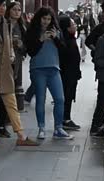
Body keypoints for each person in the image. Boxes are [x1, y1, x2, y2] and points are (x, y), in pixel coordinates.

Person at [0, 0, 38, 146]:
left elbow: (8, 44)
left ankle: (20, 135)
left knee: (11, 102)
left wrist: (12, 57)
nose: (2, 8)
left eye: (3, 5)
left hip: (6, 68)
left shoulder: (7, 23)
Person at [25, 7, 74, 140]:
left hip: (54, 68)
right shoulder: (32, 31)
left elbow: (64, 50)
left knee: (60, 99)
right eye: (44, 18)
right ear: (39, 18)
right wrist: (40, 39)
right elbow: (31, 51)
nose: (46, 21)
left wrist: (56, 38)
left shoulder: (56, 31)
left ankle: (58, 128)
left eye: (49, 19)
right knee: (40, 99)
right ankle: (41, 128)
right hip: (38, 68)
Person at [58, 15, 82, 131]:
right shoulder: (65, 41)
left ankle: (65, 118)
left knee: (68, 96)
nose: (75, 26)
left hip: (71, 73)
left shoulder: (70, 38)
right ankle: (64, 119)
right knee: (67, 96)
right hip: (67, 74)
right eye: (73, 24)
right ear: (67, 28)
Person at [6, 1, 27, 107]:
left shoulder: (22, 27)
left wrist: (21, 45)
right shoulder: (4, 23)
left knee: (14, 84)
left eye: (19, 10)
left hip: (17, 59)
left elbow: (26, 48)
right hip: (5, 58)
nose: (17, 12)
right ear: (9, 10)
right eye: (14, 9)